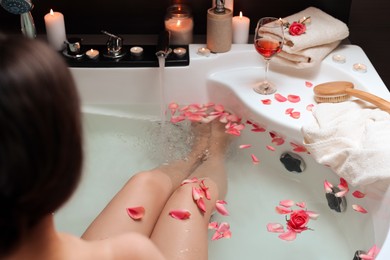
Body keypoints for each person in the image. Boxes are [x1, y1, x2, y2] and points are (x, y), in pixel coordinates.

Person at [0, 34, 231, 260]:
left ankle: (194, 154)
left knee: (144, 182)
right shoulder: (132, 252)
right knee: (188, 197)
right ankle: (213, 154)